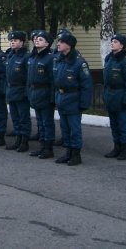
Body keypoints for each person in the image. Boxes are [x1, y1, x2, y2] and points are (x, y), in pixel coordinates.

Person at [53, 32, 92, 166]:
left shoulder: (79, 63)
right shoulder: (58, 60)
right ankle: (68, 152)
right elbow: (55, 82)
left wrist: (83, 103)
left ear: (68, 45)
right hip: (61, 98)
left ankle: (76, 154)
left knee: (74, 129)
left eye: (61, 42)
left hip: (73, 100)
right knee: (64, 128)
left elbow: (86, 85)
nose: (58, 44)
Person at [102, 33, 126, 161]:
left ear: (122, 45)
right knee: (114, 124)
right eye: (112, 41)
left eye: (115, 42)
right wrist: (105, 96)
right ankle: (116, 147)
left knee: (122, 124)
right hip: (111, 96)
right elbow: (106, 81)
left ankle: (124, 149)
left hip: (120, 96)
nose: (112, 43)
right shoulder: (109, 59)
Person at [27, 31, 56, 159]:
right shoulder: (33, 58)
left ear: (47, 43)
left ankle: (48, 148)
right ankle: (42, 145)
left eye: (41, 39)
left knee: (47, 122)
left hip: (45, 93)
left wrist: (52, 97)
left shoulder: (50, 58)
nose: (37, 41)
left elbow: (53, 80)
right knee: (39, 121)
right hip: (35, 92)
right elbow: (29, 79)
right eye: (36, 39)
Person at [4, 31, 31, 152]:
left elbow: (28, 77)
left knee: (23, 117)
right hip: (11, 90)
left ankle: (24, 141)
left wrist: (26, 92)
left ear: (22, 42)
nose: (12, 42)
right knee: (15, 117)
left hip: (21, 90)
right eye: (11, 41)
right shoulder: (11, 55)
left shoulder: (26, 57)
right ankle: (18, 139)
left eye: (15, 40)